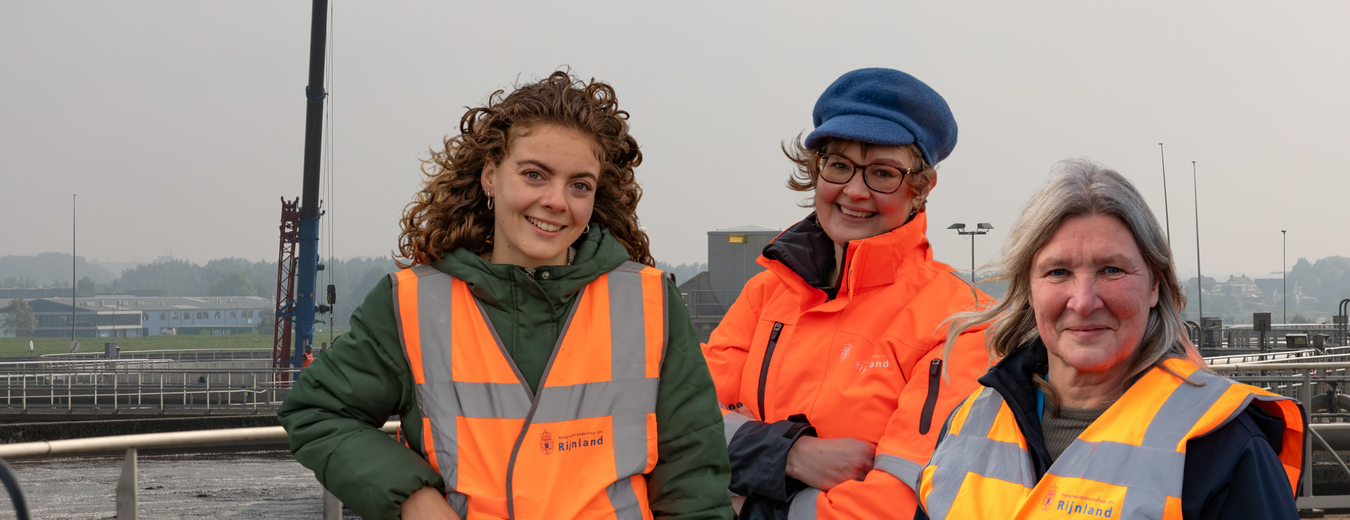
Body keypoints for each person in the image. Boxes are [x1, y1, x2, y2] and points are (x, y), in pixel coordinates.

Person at [279, 71, 733, 520]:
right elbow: (318, 412)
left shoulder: (651, 303)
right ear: (490, 177)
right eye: (535, 175)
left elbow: (694, 477)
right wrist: (414, 498)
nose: (557, 200)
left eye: (580, 185)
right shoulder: (409, 305)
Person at [916, 160, 1305, 520]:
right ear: (1029, 289)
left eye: (1111, 270)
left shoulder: (1222, 445)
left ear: (1155, 284)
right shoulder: (970, 422)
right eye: (1058, 272)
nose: (1083, 301)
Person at [700, 67, 994, 519]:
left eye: (882, 173)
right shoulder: (765, 293)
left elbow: (899, 503)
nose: (854, 191)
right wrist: (790, 455)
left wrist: (742, 506)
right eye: (838, 166)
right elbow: (676, 421)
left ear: (922, 188)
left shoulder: (962, 321)